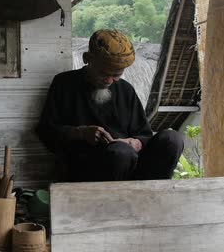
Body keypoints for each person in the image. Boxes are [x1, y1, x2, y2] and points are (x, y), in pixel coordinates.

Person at [36, 29, 184, 182]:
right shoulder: (64, 84)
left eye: (116, 75)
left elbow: (144, 134)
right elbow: (46, 131)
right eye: (104, 74)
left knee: (172, 139)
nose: (109, 80)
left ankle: (154, 195)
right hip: (89, 169)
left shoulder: (126, 90)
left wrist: (135, 142)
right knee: (120, 153)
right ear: (87, 59)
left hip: (130, 166)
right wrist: (79, 133)